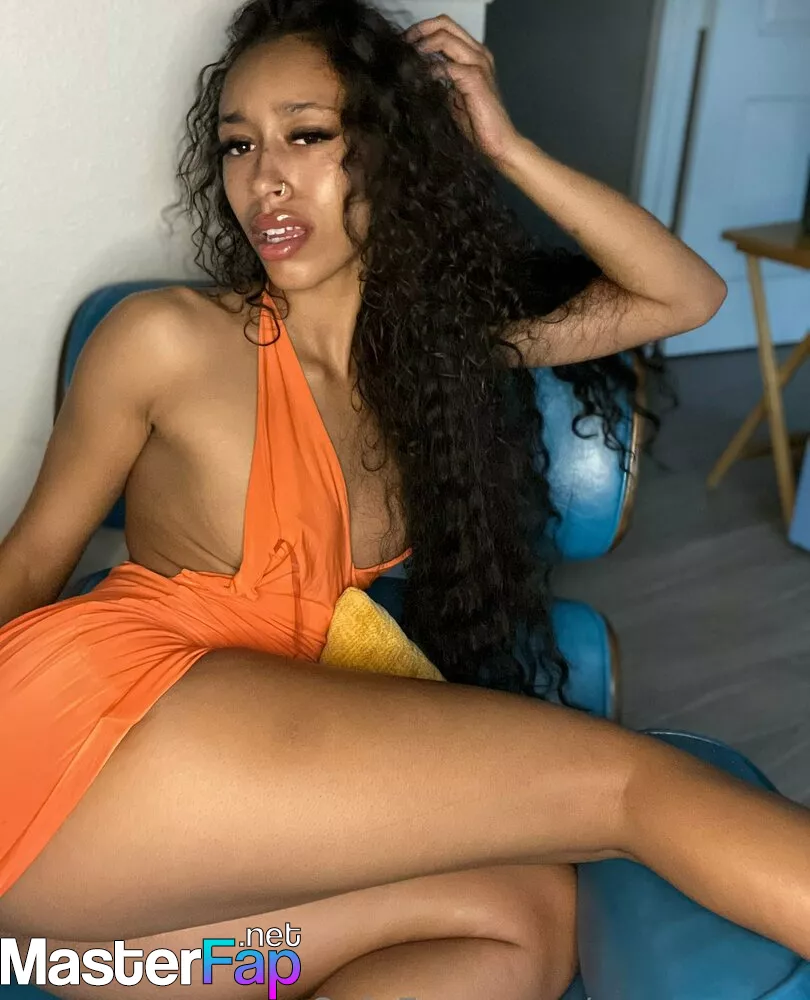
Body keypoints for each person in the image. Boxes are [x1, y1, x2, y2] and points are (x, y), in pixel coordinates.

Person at [0, 1, 807, 997]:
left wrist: (503, 146)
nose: (265, 178)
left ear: (393, 152)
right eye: (239, 145)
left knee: (525, 920)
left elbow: (685, 295)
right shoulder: (164, 338)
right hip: (91, 752)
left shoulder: (430, 363)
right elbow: (31, 560)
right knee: (630, 784)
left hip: (137, 914)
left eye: (307, 135)